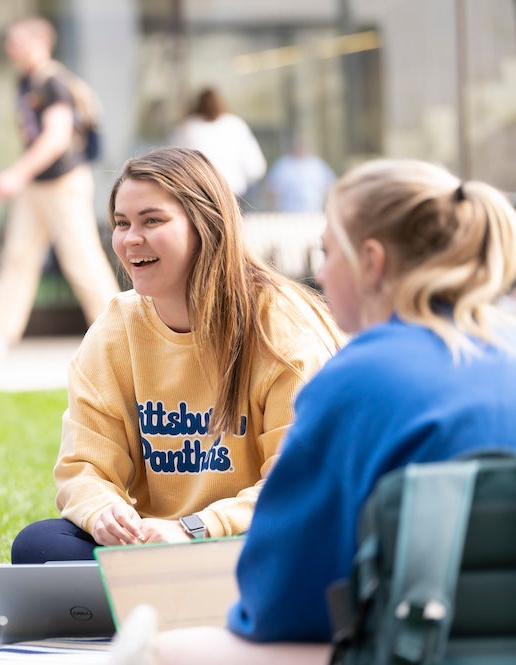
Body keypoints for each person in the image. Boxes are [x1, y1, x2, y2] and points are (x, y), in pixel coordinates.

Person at [113, 159, 516, 664]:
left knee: (158, 649)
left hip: (414, 647)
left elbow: (282, 602)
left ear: (372, 261)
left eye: (327, 252)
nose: (319, 273)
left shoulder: (357, 380)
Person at [10, 147, 343, 564]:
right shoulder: (117, 327)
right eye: (121, 223)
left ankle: (143, 599)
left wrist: (196, 528)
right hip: (156, 543)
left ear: (206, 224)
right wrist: (103, 513)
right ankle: (165, 596)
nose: (131, 238)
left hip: (253, 536)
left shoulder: (281, 327)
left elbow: (298, 480)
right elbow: (84, 464)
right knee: (40, 544)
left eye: (153, 220)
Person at [0, 16, 120, 364]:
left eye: (16, 40)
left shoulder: (52, 82)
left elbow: (57, 138)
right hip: (39, 185)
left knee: (82, 261)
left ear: (39, 42)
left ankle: (119, 334)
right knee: (18, 257)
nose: (9, 47)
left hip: (62, 183)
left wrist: (16, 174)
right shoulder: (28, 81)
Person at [170, 86, 266, 199]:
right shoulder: (235, 125)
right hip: (232, 191)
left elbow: (174, 161)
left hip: (200, 192)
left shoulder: (187, 127)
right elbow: (255, 167)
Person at [263, 135, 336, 212]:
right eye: (298, 145)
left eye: (303, 145)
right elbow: (270, 192)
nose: (301, 147)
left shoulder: (318, 165)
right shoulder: (282, 165)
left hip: (314, 215)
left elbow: (332, 188)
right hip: (288, 216)